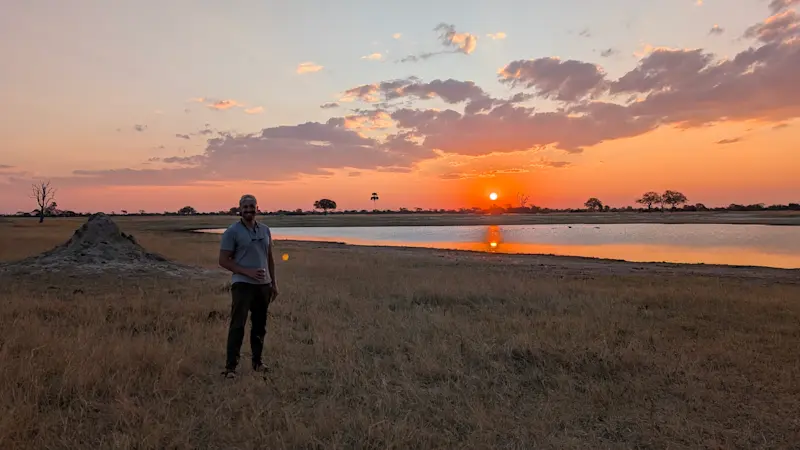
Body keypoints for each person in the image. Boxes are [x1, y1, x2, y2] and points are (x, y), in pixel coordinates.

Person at [218, 194, 279, 378]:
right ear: (240, 209)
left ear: (257, 208)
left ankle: (257, 363)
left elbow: (269, 258)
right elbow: (223, 260)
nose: (249, 210)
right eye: (245, 207)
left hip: (264, 286)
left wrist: (273, 283)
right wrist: (247, 272)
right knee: (238, 325)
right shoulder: (232, 232)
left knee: (260, 326)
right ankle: (231, 368)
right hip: (243, 285)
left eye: (252, 206)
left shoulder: (265, 230)